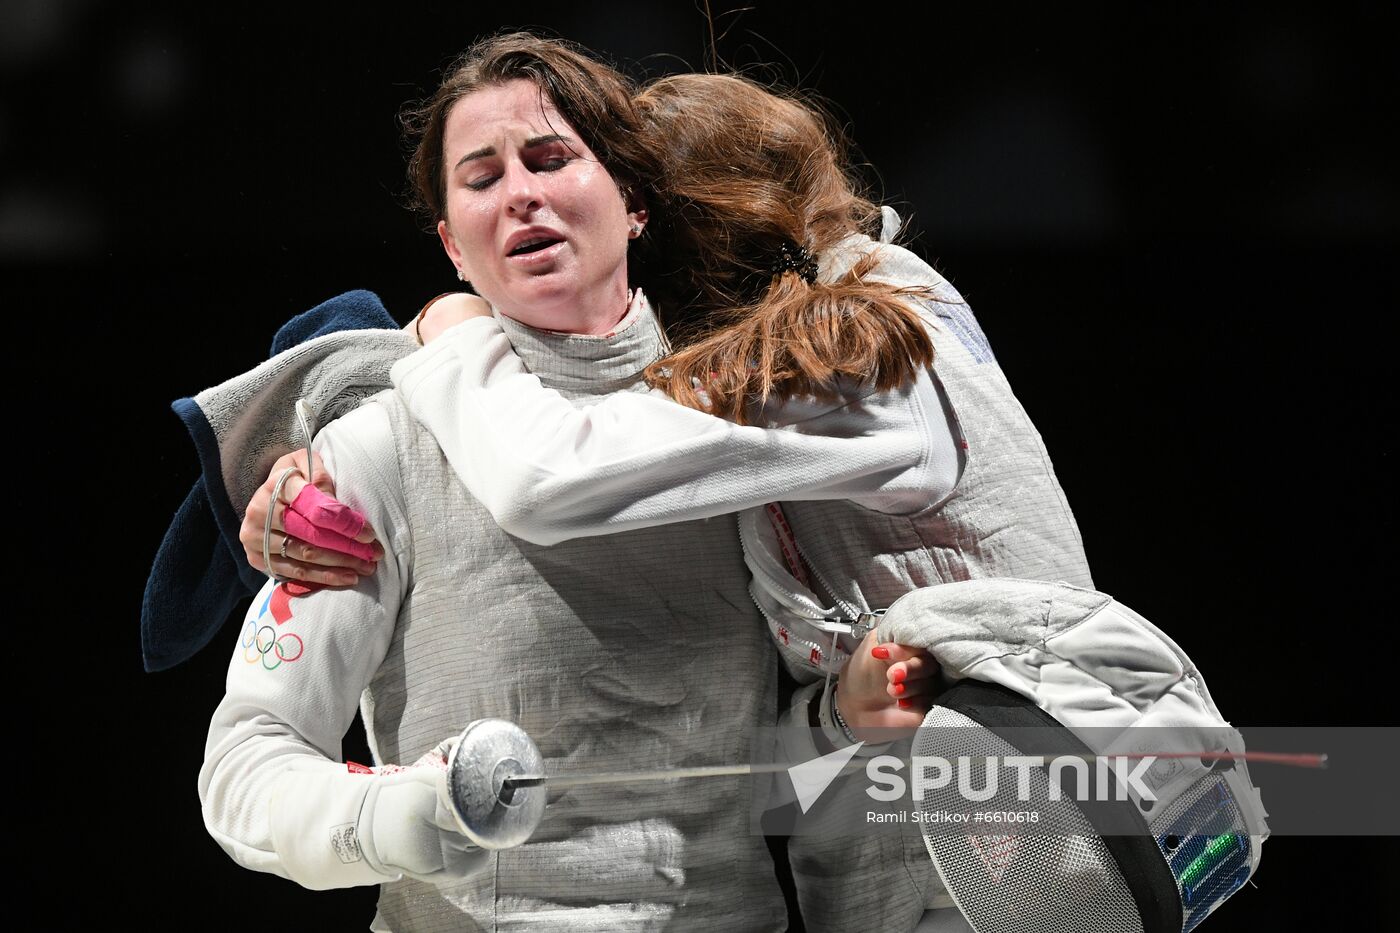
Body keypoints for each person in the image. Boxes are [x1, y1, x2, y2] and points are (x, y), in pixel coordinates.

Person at [247, 72, 1092, 931]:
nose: (524, 196)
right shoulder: (391, 450)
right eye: (484, 176)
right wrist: (398, 817)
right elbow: (250, 763)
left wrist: (446, 325)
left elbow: (553, 475)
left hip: (1016, 849)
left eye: (553, 159)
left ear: (643, 210)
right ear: (451, 240)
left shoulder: (798, 394)